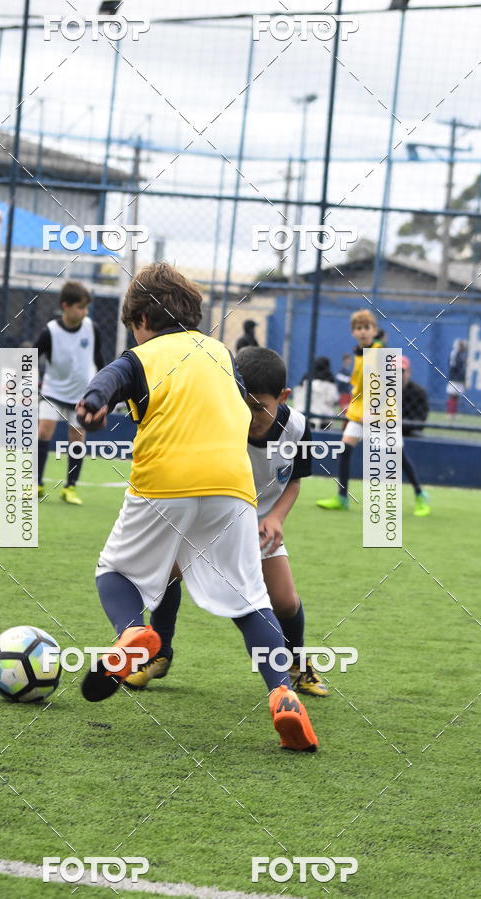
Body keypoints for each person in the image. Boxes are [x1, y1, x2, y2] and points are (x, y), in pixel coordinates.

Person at [76, 262, 318, 752]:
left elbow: (115, 374)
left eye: (132, 328)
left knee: (113, 573)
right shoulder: (222, 354)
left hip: (165, 481)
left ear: (142, 320)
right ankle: (283, 694)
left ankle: (133, 634)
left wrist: (93, 401)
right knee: (251, 601)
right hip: (233, 488)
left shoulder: (145, 354)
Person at [126, 345, 328, 700]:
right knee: (163, 572)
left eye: (259, 406)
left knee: (284, 601)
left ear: (283, 396)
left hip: (259, 527)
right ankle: (160, 652)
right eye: (242, 403)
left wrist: (277, 518)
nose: (250, 415)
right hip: (207, 520)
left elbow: (294, 481)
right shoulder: (216, 422)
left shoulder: (298, 429)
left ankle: (296, 663)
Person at [34, 281, 104, 505]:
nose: (84, 312)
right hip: (53, 391)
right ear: (65, 305)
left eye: (86, 308)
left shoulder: (91, 328)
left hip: (81, 395)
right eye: (80, 307)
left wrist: (104, 390)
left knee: (77, 436)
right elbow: (30, 357)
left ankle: (70, 487)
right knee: (44, 431)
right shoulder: (50, 332)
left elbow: (99, 360)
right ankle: (36, 483)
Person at [316, 308, 383, 511]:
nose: (363, 331)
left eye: (367, 327)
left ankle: (419, 494)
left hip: (375, 413)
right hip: (359, 413)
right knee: (345, 451)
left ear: (375, 330)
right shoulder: (359, 353)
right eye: (358, 328)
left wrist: (373, 410)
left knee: (397, 454)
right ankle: (342, 498)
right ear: (353, 332)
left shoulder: (377, 353)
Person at [401, 356, 431, 517]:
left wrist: (398, 423)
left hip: (409, 432)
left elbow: (420, 422)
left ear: (409, 372)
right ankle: (343, 495)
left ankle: (419, 494)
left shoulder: (419, 392)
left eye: (402, 371)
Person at [292, 356, 338, 429]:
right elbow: (333, 399)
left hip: (302, 415)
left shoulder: (305, 381)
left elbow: (298, 397)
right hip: (323, 419)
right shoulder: (330, 383)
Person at [446, 339, 468, 420]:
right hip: (454, 377)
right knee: (452, 395)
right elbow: (453, 365)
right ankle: (450, 413)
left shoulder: (461, 354)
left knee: (457, 396)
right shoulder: (454, 353)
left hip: (459, 378)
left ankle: (454, 413)